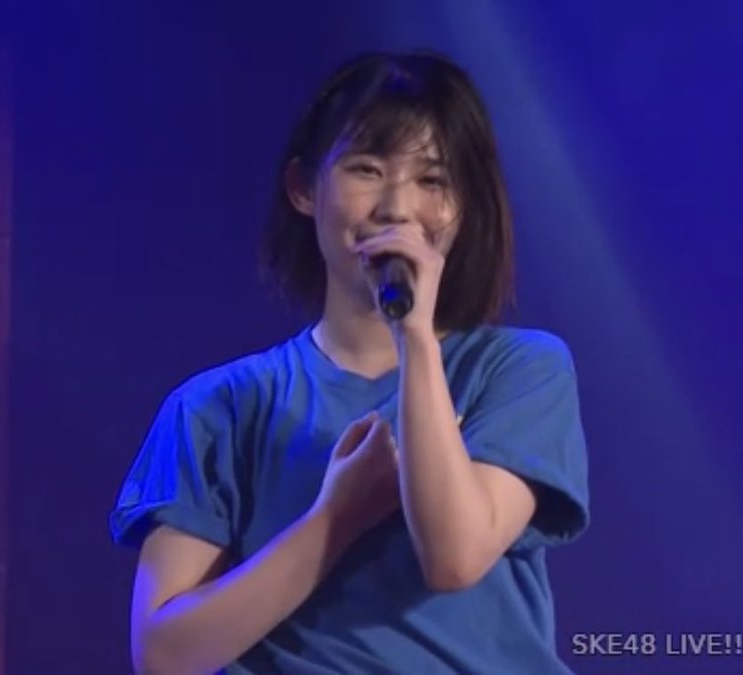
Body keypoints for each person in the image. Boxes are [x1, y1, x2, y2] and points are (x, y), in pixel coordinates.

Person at [110, 50, 589, 674]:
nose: (397, 208)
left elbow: (454, 557)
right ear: (304, 188)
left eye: (433, 181)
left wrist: (414, 336)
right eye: (367, 169)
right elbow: (165, 656)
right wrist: (336, 518)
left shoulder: (519, 370)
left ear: (465, 206)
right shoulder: (217, 407)